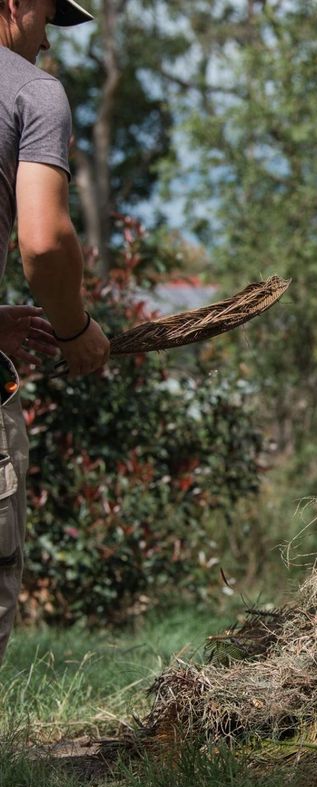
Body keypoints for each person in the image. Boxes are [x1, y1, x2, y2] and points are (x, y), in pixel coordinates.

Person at [0, 0, 110, 663]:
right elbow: (43, 244)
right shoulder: (31, 91)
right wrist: (75, 330)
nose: (45, 42)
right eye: (47, 19)